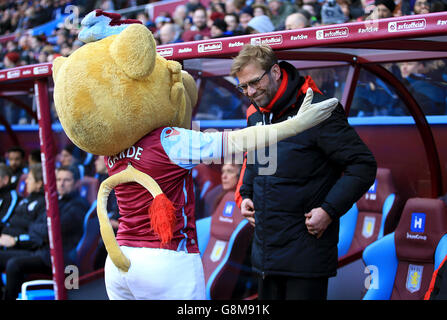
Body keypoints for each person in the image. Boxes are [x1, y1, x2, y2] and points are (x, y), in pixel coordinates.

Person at [231, 44, 377, 300]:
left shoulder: (319, 109)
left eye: (254, 82)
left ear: (275, 71)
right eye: (243, 87)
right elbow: (255, 161)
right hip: (265, 255)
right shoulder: (256, 116)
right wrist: (246, 195)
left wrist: (329, 210)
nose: (251, 93)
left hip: (306, 256)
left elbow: (362, 165)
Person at [0, 165, 89, 300]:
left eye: (67, 180)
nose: (61, 184)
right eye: (58, 180)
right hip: (43, 251)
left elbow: (51, 231)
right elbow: (33, 226)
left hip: (59, 260)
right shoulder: (55, 201)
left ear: (76, 183)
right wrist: (41, 230)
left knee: (14, 264)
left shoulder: (78, 205)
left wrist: (41, 230)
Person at [0, 164, 45, 249]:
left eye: (30, 178)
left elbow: (32, 230)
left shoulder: (43, 203)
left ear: (39, 184)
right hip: (6, 234)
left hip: (18, 242)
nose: (26, 181)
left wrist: (16, 240)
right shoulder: (26, 199)